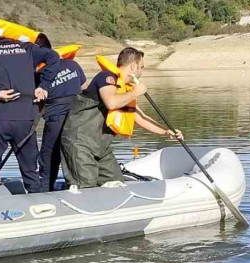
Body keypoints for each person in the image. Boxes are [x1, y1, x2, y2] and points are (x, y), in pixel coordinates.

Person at [60, 47, 183, 189]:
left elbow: (141, 118)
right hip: (80, 143)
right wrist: (135, 92)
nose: (141, 72)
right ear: (133, 66)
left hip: (101, 146)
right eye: (141, 68)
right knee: (86, 186)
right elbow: (111, 102)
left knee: (117, 182)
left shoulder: (125, 89)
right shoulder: (107, 77)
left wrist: (167, 131)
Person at [0, 36, 61, 199]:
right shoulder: (28, 49)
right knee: (30, 171)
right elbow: (53, 57)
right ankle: (39, 206)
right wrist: (43, 86)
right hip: (24, 120)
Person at [34, 34, 86, 192]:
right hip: (79, 116)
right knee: (75, 152)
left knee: (48, 156)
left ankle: (44, 190)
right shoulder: (72, 64)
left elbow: (38, 100)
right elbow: (83, 88)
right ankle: (81, 185)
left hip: (56, 118)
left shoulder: (40, 74)